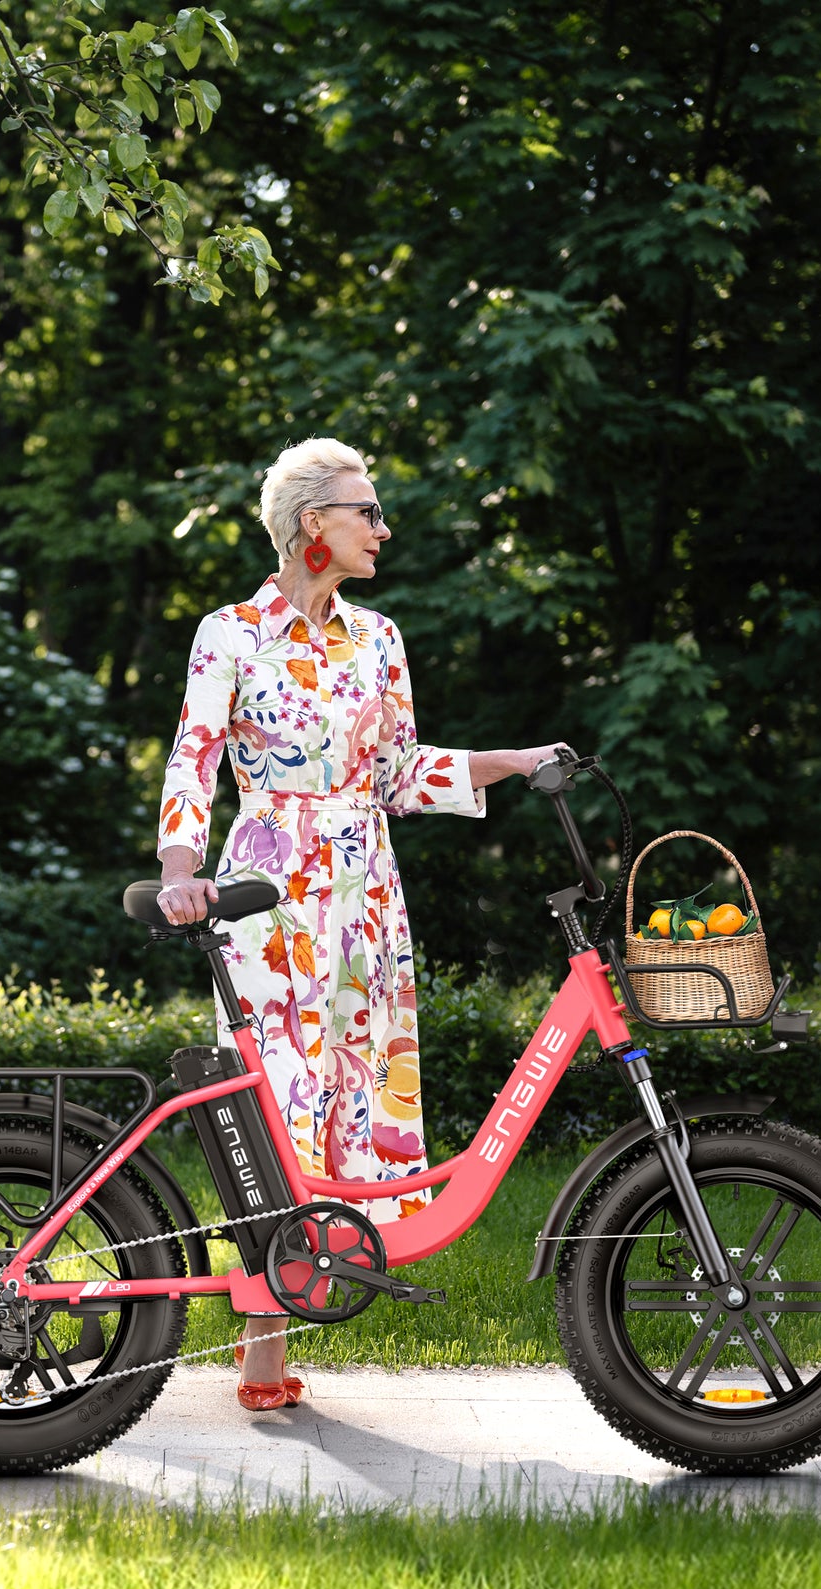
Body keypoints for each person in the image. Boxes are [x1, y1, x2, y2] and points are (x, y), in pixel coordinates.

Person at [156, 437, 564, 1410]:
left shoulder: (377, 638)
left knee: (348, 1090)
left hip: (364, 889)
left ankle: (300, 1302)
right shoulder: (231, 633)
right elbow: (193, 757)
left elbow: (394, 774)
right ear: (313, 526)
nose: (381, 528)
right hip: (267, 892)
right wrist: (178, 867)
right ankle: (261, 1346)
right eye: (365, 511)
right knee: (276, 1100)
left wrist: (501, 761)